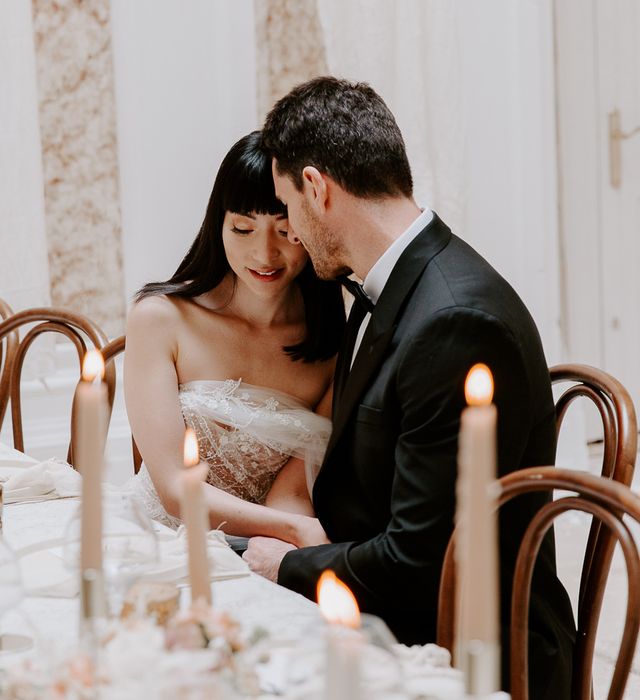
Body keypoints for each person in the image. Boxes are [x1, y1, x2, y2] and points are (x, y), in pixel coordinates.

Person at [243, 77, 576, 700]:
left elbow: (420, 562)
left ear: (317, 188)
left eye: (287, 206)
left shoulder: (454, 322)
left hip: (472, 652)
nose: (288, 229)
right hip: (395, 615)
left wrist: (286, 564)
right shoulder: (395, 285)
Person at [123, 130, 345, 550]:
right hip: (157, 545)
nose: (264, 255)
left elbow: (293, 493)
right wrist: (293, 532)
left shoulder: (334, 343)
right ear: (218, 224)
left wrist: (280, 554)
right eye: (243, 229)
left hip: (270, 548)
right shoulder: (160, 319)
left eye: (286, 232)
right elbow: (174, 489)